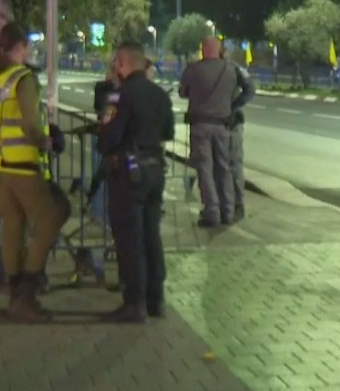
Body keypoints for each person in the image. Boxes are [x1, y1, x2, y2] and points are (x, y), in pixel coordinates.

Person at [0, 21, 68, 322]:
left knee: (13, 225)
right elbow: (31, 124)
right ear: (20, 47)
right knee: (52, 217)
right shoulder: (23, 79)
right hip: (21, 165)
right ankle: (27, 290)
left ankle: (15, 293)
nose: (29, 52)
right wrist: (46, 141)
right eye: (27, 46)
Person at [98, 41, 175, 323]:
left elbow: (108, 139)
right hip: (155, 169)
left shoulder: (120, 96)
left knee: (130, 238)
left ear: (122, 62)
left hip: (129, 172)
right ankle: (157, 299)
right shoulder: (159, 94)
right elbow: (168, 131)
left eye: (116, 62)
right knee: (151, 234)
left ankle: (135, 302)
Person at [179, 37, 252, 227]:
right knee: (224, 168)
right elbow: (249, 89)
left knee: (205, 169)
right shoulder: (232, 68)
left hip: (200, 126)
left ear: (203, 49)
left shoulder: (193, 69)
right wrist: (231, 107)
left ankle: (212, 212)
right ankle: (228, 211)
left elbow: (183, 92)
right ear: (220, 50)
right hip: (224, 126)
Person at [217, 46, 256, 222]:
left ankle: (237, 205)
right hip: (215, 125)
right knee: (217, 168)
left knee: (232, 166)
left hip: (231, 124)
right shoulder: (206, 70)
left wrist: (232, 108)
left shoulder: (234, 69)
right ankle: (222, 206)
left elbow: (250, 90)